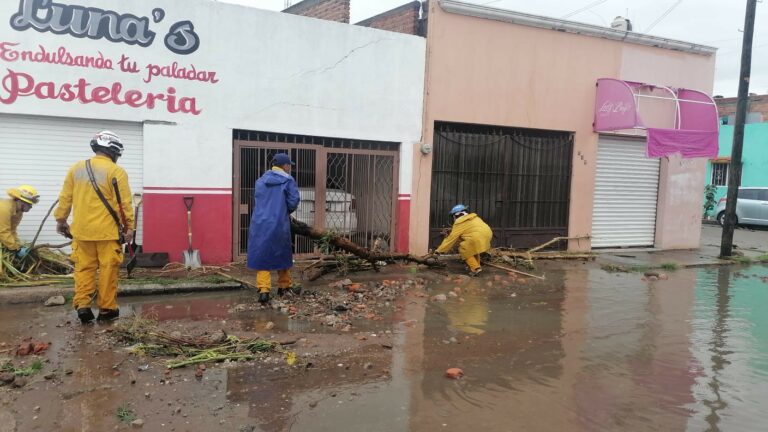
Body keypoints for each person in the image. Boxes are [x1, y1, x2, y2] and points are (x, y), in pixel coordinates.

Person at [54, 131, 134, 324]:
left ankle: (83, 306)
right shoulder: (116, 172)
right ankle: (107, 309)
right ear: (113, 151)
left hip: (81, 232)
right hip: (107, 233)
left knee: (84, 269)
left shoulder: (76, 169)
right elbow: (123, 204)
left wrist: (61, 220)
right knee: (108, 270)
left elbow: (65, 198)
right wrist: (129, 228)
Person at [247, 153, 300, 304]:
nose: (290, 168)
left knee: (262, 254)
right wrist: (285, 211)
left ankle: (264, 291)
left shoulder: (260, 181)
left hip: (259, 223)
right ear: (285, 166)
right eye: (289, 165)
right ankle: (284, 287)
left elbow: (258, 199)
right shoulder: (288, 180)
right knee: (282, 253)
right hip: (278, 222)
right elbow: (293, 201)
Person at [433, 204, 493, 276]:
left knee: (464, 249)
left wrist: (439, 251)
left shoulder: (459, 222)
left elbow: (450, 239)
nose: (453, 218)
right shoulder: (474, 217)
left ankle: (476, 269)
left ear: (456, 215)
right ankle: (477, 266)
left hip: (476, 237)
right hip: (488, 234)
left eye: (453, 216)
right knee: (473, 249)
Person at [0, 185, 40, 258]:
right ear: (20, 201)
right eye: (29, 204)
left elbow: (12, 230)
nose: (30, 207)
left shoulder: (19, 212)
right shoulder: (4, 208)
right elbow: (3, 231)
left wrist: (17, 244)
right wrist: (15, 249)